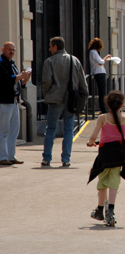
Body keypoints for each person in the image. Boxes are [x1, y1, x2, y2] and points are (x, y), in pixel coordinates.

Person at [87, 90, 125, 227]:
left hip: (104, 153)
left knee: (102, 182)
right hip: (119, 153)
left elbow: (93, 136)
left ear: (107, 104)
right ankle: (111, 211)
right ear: (122, 105)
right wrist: (118, 140)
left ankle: (100, 210)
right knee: (114, 182)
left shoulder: (103, 118)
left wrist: (91, 143)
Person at [41, 36, 88, 168]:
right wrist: (84, 96)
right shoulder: (74, 60)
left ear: (55, 47)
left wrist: (47, 94)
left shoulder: (49, 61)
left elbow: (47, 81)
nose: (49, 49)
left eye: (50, 46)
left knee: (51, 128)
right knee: (68, 130)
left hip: (55, 99)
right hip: (71, 99)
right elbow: (82, 82)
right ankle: (66, 159)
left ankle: (47, 158)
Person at [0, 42, 31, 166]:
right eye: (9, 50)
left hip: (14, 101)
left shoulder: (12, 63)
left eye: (13, 50)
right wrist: (19, 77)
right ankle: (2, 156)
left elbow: (17, 82)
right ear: (3, 50)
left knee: (14, 130)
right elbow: (7, 79)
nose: (11, 52)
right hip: (4, 101)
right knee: (4, 131)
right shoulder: (1, 63)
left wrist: (24, 80)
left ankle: (11, 156)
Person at [89, 37, 111, 114]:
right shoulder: (93, 52)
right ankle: (103, 109)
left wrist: (105, 59)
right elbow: (100, 62)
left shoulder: (93, 52)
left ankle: (103, 108)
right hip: (99, 73)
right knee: (102, 92)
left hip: (99, 73)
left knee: (102, 92)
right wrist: (106, 58)